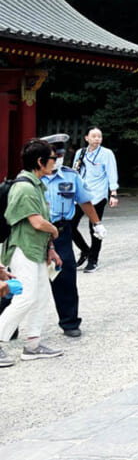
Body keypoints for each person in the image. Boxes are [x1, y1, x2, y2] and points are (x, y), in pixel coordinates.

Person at [0, 139, 63, 365]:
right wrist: (54, 231)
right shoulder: (25, 187)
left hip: (36, 248)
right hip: (22, 248)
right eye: (53, 158)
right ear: (40, 161)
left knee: (41, 296)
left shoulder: (36, 184)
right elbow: (37, 223)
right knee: (26, 296)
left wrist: (51, 248)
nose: (55, 162)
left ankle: (33, 345)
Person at [41, 134, 105, 338]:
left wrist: (97, 223)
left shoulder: (70, 176)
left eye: (60, 154)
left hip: (61, 231)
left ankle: (69, 322)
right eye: (53, 154)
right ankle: (8, 320)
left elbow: (84, 200)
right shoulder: (31, 177)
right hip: (35, 232)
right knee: (24, 277)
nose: (58, 158)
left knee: (65, 275)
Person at [69, 126, 119, 272]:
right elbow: (74, 171)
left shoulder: (106, 153)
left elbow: (111, 172)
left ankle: (93, 259)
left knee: (95, 227)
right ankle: (85, 250)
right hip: (80, 194)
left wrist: (113, 193)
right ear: (87, 138)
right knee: (70, 225)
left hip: (97, 194)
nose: (97, 139)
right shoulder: (80, 152)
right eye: (94, 136)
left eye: (99, 136)